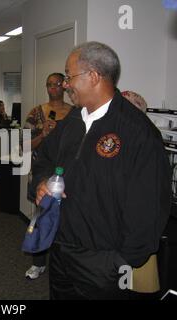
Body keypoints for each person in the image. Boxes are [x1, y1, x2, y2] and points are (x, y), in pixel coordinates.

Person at [32, 41, 171, 299]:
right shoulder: (72, 121)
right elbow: (44, 159)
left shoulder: (137, 132)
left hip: (103, 262)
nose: (65, 84)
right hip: (62, 249)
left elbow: (149, 207)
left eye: (69, 76)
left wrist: (120, 262)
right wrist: (41, 181)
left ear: (93, 76)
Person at [23, 73, 72, 280]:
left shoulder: (75, 113)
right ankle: (38, 263)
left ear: (65, 86)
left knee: (68, 219)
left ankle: (66, 263)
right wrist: (42, 135)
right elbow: (23, 145)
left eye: (57, 84)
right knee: (41, 218)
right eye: (49, 85)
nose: (53, 88)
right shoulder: (36, 113)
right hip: (43, 173)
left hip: (67, 174)